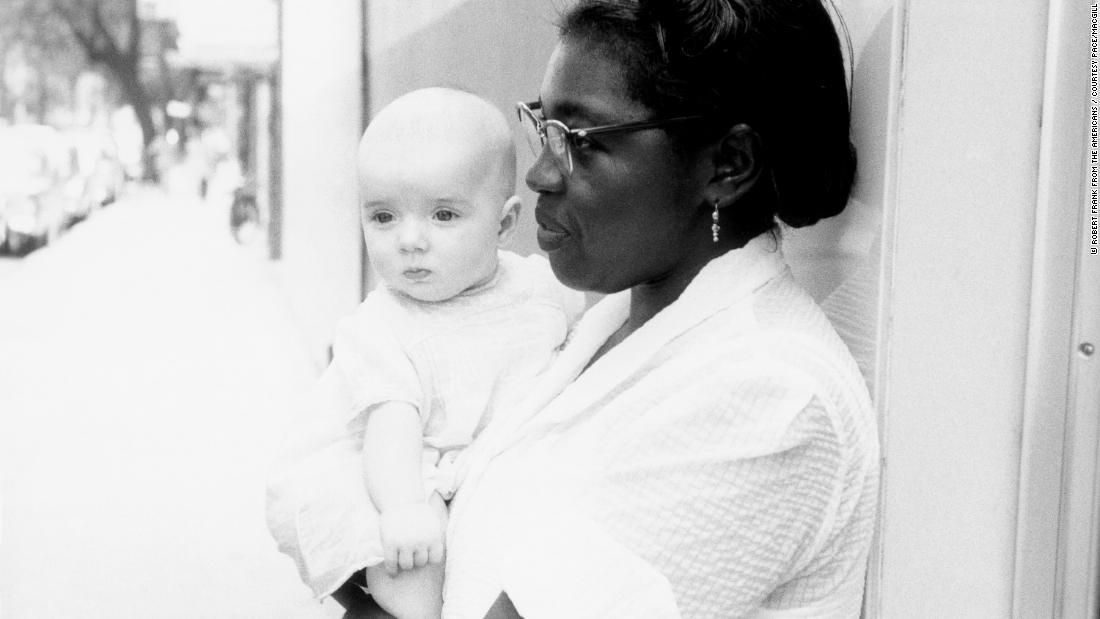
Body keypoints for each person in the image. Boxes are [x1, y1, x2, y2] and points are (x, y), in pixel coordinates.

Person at [436, 0, 880, 617]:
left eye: (581, 142)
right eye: (544, 127)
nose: (539, 174)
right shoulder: (616, 319)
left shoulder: (772, 396)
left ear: (729, 165)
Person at [265, 87, 584, 619]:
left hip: (491, 461)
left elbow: (581, 342)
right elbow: (392, 431)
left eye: (443, 216)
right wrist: (404, 507)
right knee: (417, 566)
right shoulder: (382, 327)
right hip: (408, 469)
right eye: (384, 217)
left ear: (504, 224)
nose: (410, 240)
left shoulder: (539, 291)